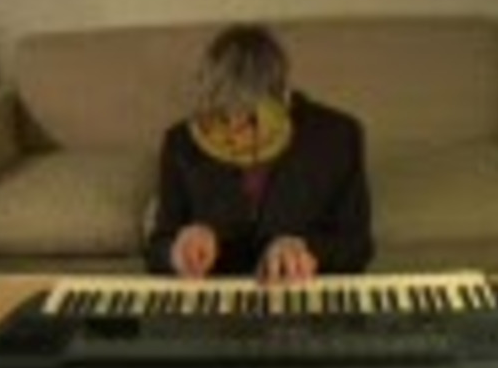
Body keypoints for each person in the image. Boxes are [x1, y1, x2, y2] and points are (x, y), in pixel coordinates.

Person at [144, 24, 373, 284]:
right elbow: (157, 247)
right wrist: (175, 251)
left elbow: (357, 246)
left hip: (299, 292)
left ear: (283, 97)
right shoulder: (181, 142)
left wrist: (306, 249)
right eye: (223, 116)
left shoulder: (338, 136)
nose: (236, 133)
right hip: (216, 296)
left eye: (251, 118)